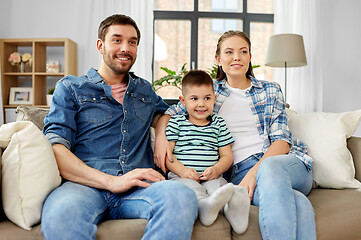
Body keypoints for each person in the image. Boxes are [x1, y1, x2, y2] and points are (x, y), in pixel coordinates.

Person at [41, 14, 198, 240]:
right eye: (117, 40)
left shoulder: (144, 89)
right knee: (61, 214)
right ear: (100, 45)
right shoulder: (71, 88)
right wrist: (112, 181)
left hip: (139, 186)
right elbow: (57, 148)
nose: (126, 48)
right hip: (85, 186)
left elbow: (164, 112)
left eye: (132, 42)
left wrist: (162, 135)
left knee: (182, 196)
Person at [154, 30, 316, 240]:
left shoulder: (270, 90)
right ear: (218, 59)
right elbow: (170, 113)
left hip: (283, 163)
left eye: (243, 51)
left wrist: (254, 174)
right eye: (229, 52)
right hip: (240, 171)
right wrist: (160, 138)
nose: (237, 57)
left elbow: (282, 141)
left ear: (250, 57)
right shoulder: (210, 93)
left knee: (270, 169)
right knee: (299, 203)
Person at [165, 70, 250, 234]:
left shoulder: (218, 123)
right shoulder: (177, 122)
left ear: (214, 99)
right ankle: (205, 207)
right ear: (183, 101)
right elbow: (168, 156)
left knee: (220, 189)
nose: (201, 104)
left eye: (207, 98)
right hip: (183, 177)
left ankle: (233, 210)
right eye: (194, 99)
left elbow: (227, 155)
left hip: (211, 176)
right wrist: (183, 171)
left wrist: (217, 170)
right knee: (190, 190)